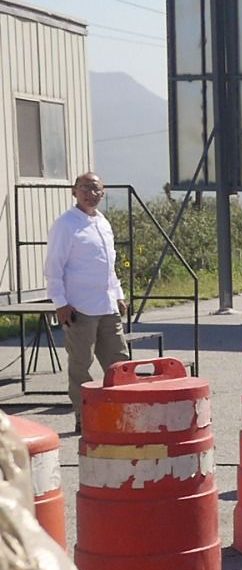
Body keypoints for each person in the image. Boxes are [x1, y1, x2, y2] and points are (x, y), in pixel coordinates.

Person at [44, 172, 131, 432]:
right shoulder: (66, 224)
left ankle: (123, 414)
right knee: (81, 364)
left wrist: (118, 294)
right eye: (84, 188)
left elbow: (109, 264)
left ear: (102, 193)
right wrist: (60, 302)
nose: (89, 194)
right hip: (79, 307)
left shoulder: (103, 222)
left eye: (95, 189)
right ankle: (85, 417)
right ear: (74, 191)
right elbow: (53, 267)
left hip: (107, 304)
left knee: (119, 361)